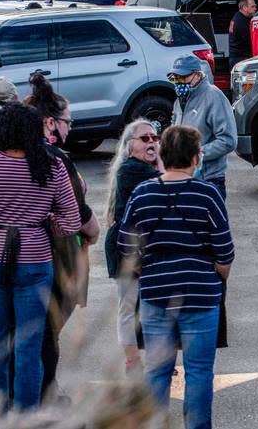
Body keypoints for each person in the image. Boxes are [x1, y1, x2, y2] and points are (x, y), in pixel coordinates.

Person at [0, 103, 81, 411]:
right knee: (29, 345)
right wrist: (46, 221)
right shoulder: (51, 166)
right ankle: (26, 414)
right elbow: (72, 221)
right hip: (35, 258)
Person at [119, 125, 234, 429]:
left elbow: (125, 246)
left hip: (156, 292)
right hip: (200, 292)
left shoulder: (143, 193)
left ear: (164, 155)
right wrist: (217, 274)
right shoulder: (207, 194)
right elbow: (224, 251)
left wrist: (148, 269)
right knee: (198, 372)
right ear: (196, 158)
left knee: (156, 371)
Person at [24, 73, 99, 399]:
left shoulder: (11, 156)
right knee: (47, 331)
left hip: (27, 254)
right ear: (50, 123)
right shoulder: (55, 160)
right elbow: (78, 211)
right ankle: (46, 391)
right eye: (68, 121)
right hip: (57, 254)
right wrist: (93, 232)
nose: (71, 127)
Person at [104, 120, 162, 375]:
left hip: (144, 246)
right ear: (129, 147)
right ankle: (132, 361)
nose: (152, 142)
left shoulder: (141, 168)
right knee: (129, 305)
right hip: (125, 245)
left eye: (155, 138)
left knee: (148, 305)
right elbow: (165, 182)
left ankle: (153, 357)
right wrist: (161, 160)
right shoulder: (132, 169)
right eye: (145, 138)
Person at [168, 55, 236, 198]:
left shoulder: (214, 97)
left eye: (183, 77)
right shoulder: (179, 101)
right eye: (175, 78)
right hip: (182, 180)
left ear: (198, 75)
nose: (178, 82)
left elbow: (228, 140)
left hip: (208, 181)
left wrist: (195, 154)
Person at [227, 0, 256, 68]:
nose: (255, 8)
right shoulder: (241, 21)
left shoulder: (238, 17)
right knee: (246, 79)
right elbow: (251, 41)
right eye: (253, 6)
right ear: (245, 8)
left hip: (236, 58)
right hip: (241, 60)